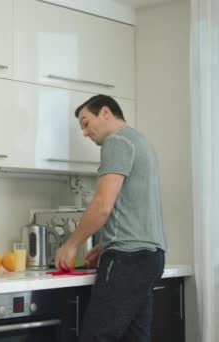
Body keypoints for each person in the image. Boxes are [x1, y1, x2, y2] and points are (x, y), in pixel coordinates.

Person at [55, 94, 167, 342]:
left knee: (97, 337)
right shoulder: (140, 142)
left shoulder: (116, 142)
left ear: (105, 112)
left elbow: (102, 205)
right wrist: (106, 243)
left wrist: (70, 245)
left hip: (127, 260)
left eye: (86, 123)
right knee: (135, 338)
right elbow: (135, 206)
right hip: (150, 257)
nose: (85, 132)